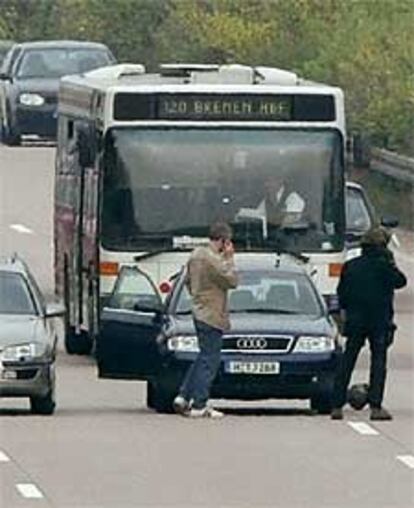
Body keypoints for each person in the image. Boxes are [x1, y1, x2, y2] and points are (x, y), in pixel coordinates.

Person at [331, 226, 407, 421]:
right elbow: (400, 281)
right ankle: (375, 406)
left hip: (355, 320)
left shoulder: (351, 266)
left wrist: (346, 313)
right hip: (379, 320)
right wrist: (390, 262)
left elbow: (342, 293)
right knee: (378, 362)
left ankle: (337, 405)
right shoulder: (384, 265)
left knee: (348, 360)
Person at [173, 222, 238, 418]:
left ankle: (184, 395)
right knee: (211, 360)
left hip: (198, 310)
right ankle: (199, 404)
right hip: (212, 314)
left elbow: (185, 281)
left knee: (203, 356)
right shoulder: (212, 259)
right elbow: (231, 280)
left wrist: (197, 296)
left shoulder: (194, 256)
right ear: (223, 240)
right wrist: (229, 258)